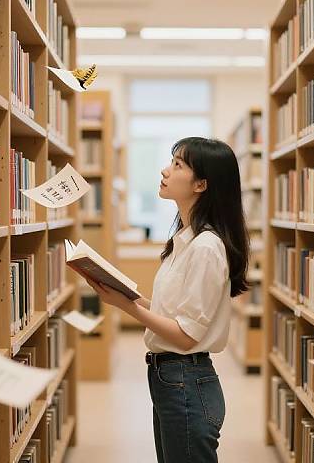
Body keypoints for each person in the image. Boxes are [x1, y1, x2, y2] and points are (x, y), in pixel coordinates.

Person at [84, 136, 249, 463]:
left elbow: (186, 336)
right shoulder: (185, 240)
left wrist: (126, 307)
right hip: (171, 380)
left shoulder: (205, 247)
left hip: (185, 382)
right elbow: (173, 313)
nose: (165, 170)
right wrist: (129, 296)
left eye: (177, 165)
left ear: (201, 184)